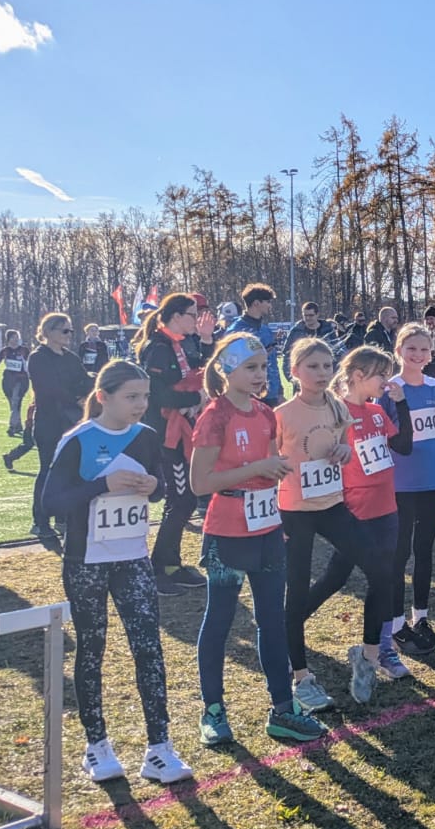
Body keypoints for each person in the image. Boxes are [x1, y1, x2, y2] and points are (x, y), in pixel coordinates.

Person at [41, 361, 191, 786]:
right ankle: (96, 745)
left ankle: (159, 748)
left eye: (145, 396)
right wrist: (101, 486)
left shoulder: (146, 436)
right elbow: (50, 502)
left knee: (148, 647)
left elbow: (160, 486)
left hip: (133, 558)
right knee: (93, 648)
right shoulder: (77, 440)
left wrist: (154, 487)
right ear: (104, 397)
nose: (141, 405)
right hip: (86, 561)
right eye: (131, 397)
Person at [189, 333, 327, 746]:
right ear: (225, 371)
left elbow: (269, 466)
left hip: (267, 529)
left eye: (263, 367)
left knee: (273, 620)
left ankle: (283, 709)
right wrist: (258, 469)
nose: (259, 375)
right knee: (220, 620)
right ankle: (213, 710)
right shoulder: (215, 416)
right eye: (250, 368)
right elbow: (200, 482)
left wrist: (277, 471)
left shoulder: (266, 413)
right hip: (228, 531)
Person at [276, 339, 404, 712]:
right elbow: (269, 462)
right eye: (312, 366)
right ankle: (301, 676)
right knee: (297, 590)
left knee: (381, 572)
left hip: (333, 507)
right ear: (294, 371)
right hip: (296, 511)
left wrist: (344, 451)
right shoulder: (282, 414)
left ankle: (367, 655)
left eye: (326, 366)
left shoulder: (337, 407)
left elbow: (345, 446)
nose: (321, 373)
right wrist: (274, 514)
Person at [326, 345, 412, 698]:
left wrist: (402, 405)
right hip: (353, 512)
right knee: (334, 579)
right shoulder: (336, 411)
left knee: (384, 578)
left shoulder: (377, 410)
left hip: (386, 508)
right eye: (381, 375)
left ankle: (378, 649)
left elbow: (403, 445)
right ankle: (288, 631)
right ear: (358, 375)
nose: (386, 381)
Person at [383, 323, 435, 655]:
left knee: (425, 550)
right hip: (400, 484)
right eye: (411, 348)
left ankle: (421, 618)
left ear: (431, 354)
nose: (418, 355)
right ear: (399, 351)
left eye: (424, 349)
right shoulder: (391, 389)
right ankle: (396, 624)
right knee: (399, 553)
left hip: (431, 481)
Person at [134, 293, 216, 595]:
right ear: (176, 316)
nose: (197, 319)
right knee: (180, 500)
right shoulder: (158, 348)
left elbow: (202, 370)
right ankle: (160, 569)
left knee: (184, 500)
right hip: (164, 437)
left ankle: (169, 564)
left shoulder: (178, 344)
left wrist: (206, 340)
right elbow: (156, 395)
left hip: (179, 434)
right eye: (193, 314)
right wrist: (194, 398)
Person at [28, 313, 94, 544]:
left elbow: (83, 380)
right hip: (49, 423)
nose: (69, 335)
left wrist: (90, 390)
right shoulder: (38, 358)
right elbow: (49, 389)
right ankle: (40, 520)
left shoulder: (70, 358)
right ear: (49, 332)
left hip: (71, 422)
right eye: (64, 330)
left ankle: (63, 517)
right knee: (48, 470)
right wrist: (76, 399)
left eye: (70, 331)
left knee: (71, 471)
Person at [226, 284, 285, 407]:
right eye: (267, 302)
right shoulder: (236, 330)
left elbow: (273, 362)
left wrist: (279, 391)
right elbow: (229, 364)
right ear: (256, 303)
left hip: (271, 395)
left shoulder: (265, 330)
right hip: (247, 395)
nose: (270, 306)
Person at [0, 328, 30, 437]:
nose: (16, 339)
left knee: (16, 401)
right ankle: (18, 425)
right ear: (8, 339)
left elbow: (31, 362)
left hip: (21, 380)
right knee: (13, 404)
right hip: (8, 381)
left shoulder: (24, 350)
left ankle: (12, 426)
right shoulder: (5, 351)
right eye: (13, 337)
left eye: (17, 337)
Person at [282, 302, 337, 380]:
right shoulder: (296, 332)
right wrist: (290, 377)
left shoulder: (328, 331)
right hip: (303, 377)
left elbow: (337, 353)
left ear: (317, 314)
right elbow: (287, 355)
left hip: (324, 376)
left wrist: (334, 374)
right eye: (305, 315)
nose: (308, 318)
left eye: (311, 315)